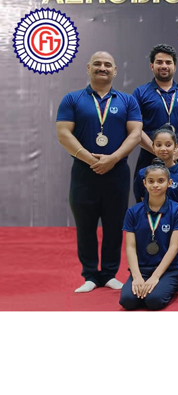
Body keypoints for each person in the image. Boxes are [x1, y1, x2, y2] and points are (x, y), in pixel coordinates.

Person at [56, 51, 143, 293]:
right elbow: (63, 134)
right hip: (84, 172)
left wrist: (113, 159)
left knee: (115, 224)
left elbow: (135, 134)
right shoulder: (72, 99)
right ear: (88, 68)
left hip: (117, 171)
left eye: (107, 65)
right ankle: (90, 275)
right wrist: (90, 159)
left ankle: (109, 274)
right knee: (85, 224)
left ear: (115, 70)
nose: (102, 68)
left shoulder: (127, 101)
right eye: (97, 64)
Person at [119, 160, 178, 310]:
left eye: (161, 181)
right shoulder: (133, 212)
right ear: (144, 183)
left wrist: (156, 277)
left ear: (169, 183)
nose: (155, 185)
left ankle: (166, 285)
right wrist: (137, 276)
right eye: (151, 181)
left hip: (169, 269)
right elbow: (130, 247)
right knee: (128, 301)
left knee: (154, 301)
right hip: (142, 269)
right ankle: (143, 285)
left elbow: (174, 247)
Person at [132, 44, 178, 172]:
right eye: (159, 62)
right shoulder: (140, 92)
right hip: (149, 157)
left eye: (168, 62)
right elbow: (135, 128)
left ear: (175, 66)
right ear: (152, 66)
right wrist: (156, 150)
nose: (164, 66)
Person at [133, 125, 178, 203]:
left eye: (168, 145)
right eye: (158, 145)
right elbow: (142, 200)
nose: (163, 149)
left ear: (176, 146)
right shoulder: (143, 173)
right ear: (153, 147)